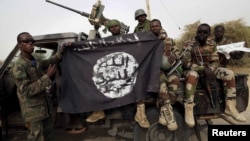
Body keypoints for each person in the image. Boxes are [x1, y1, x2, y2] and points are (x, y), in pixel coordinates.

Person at [181, 23, 246, 128]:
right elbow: (186, 64)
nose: (202, 34)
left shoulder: (212, 44)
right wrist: (203, 69)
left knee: (229, 73)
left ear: (209, 34)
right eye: (200, 32)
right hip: (194, 69)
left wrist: (211, 70)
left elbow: (215, 61)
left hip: (209, 69)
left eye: (205, 32)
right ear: (196, 32)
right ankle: (189, 108)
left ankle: (230, 107)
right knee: (192, 75)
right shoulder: (189, 44)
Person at [12, 32, 66, 140]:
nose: (31, 43)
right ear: (19, 45)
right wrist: (47, 76)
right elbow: (26, 90)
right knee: (36, 137)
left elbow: (49, 61)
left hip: (44, 108)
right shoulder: (19, 65)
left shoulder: (34, 60)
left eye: (32, 41)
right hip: (33, 113)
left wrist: (61, 52)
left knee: (49, 136)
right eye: (26, 41)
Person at [85, 19, 123, 123]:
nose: (114, 28)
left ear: (120, 27)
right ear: (109, 30)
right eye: (111, 27)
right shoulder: (107, 41)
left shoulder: (128, 38)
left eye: (116, 26)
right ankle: (99, 111)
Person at [150, 19, 181, 131]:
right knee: (162, 84)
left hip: (170, 69)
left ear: (160, 26)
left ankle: (163, 112)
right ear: (150, 28)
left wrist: (175, 55)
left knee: (175, 81)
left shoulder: (169, 40)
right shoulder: (148, 41)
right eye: (152, 26)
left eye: (156, 26)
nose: (155, 28)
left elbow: (177, 52)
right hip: (156, 71)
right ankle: (169, 116)